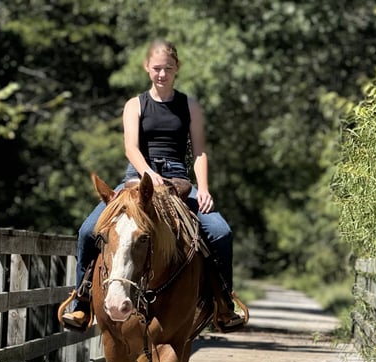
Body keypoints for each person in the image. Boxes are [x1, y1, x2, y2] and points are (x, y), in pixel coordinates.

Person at [62, 38, 244, 332]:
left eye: (168, 69)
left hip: (178, 179)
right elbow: (130, 147)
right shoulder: (135, 104)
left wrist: (205, 188)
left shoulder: (190, 105)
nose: (162, 74)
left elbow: (199, 152)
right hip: (136, 176)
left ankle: (224, 304)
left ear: (177, 69)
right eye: (157, 68)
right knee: (87, 230)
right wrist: (148, 173)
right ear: (147, 68)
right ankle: (81, 302)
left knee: (221, 232)